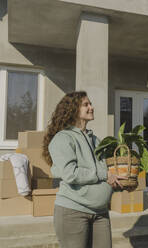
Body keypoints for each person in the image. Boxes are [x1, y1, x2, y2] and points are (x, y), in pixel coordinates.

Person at [42, 91, 125, 248]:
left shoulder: (96, 140)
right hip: (73, 212)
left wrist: (117, 184)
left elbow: (105, 173)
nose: (91, 107)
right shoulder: (63, 138)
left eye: (90, 104)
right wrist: (104, 174)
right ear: (73, 109)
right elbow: (70, 174)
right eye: (86, 104)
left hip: (100, 212)